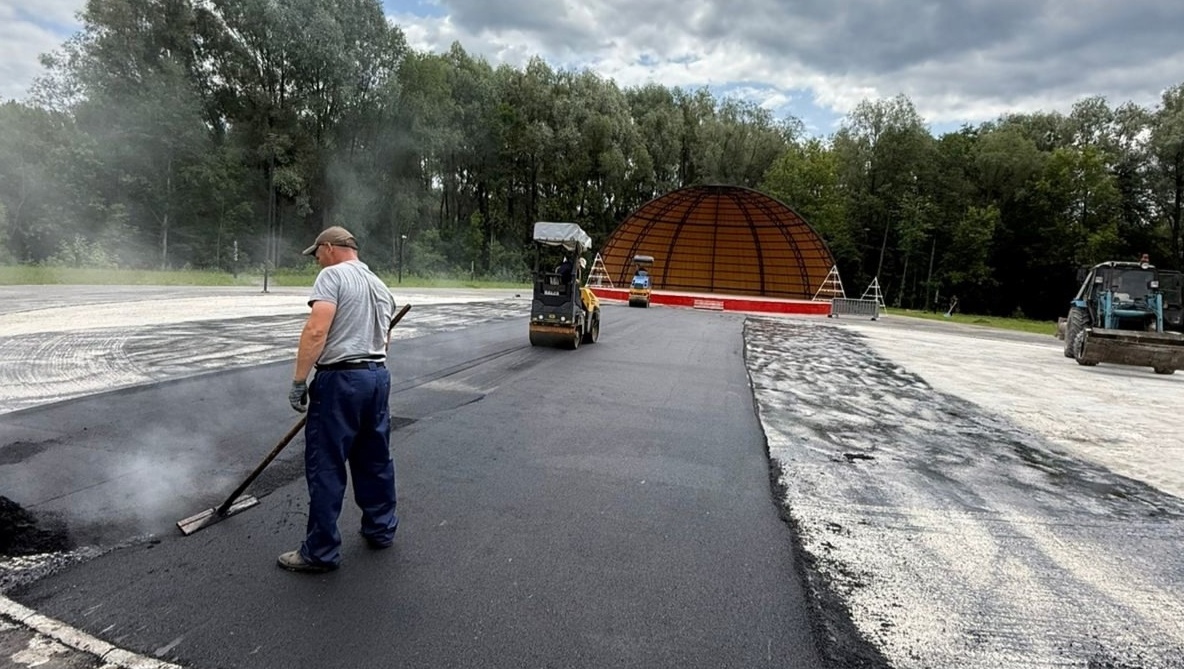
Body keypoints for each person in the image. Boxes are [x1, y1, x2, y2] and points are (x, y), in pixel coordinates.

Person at [280, 225, 398, 574]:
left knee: (326, 463)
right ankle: (381, 528)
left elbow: (317, 329)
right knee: (374, 458)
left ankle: (320, 551)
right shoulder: (380, 286)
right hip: (377, 376)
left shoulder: (332, 277)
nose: (316, 260)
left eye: (317, 252)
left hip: (341, 380)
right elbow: (386, 340)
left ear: (330, 248)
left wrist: (299, 381)